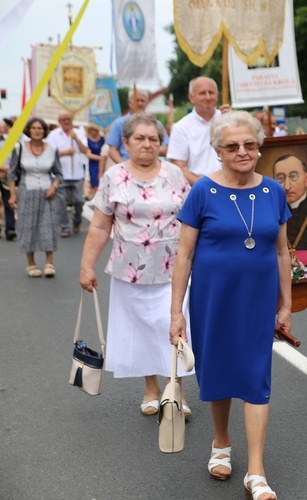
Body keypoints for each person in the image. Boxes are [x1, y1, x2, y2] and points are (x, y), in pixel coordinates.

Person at [169, 111, 290, 500]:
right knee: (217, 370)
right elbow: (184, 255)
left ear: (259, 146)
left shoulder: (273, 191)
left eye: (250, 144)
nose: (242, 152)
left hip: (257, 301)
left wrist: (286, 304)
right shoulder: (203, 190)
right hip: (212, 300)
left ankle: (256, 471)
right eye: (232, 146)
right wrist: (176, 314)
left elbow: (282, 253)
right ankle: (221, 441)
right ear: (218, 150)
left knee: (256, 376)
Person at [79, 113, 194, 417]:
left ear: (161, 143)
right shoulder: (113, 176)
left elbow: (193, 221)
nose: (147, 144)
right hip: (129, 271)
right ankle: (151, 388)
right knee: (142, 330)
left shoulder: (174, 174)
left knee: (175, 328)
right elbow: (101, 226)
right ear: (126, 142)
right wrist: (86, 266)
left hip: (174, 269)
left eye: (153, 139)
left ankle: (176, 388)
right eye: (139, 138)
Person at [7, 118, 63, 277]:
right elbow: (11, 174)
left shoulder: (52, 148)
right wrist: (13, 195)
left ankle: (49, 263)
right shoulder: (19, 149)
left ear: (44, 131)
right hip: (27, 191)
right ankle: (31, 264)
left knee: (48, 226)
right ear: (29, 131)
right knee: (28, 227)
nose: (37, 130)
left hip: (47, 193)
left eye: (40, 128)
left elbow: (59, 174)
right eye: (34, 128)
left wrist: (53, 187)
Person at [167, 77, 223, 185]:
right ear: (191, 97)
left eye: (211, 92)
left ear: (217, 95)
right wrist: (205, 187)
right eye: (202, 93)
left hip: (233, 186)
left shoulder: (229, 121)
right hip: (199, 189)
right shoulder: (181, 127)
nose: (208, 97)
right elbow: (178, 167)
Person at [47, 111, 89, 237]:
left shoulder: (79, 133)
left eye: (68, 119)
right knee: (61, 202)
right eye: (63, 120)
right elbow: (49, 154)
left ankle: (77, 221)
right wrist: (65, 152)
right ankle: (64, 227)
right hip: (61, 174)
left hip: (76, 173)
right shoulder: (53, 135)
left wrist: (75, 138)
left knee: (79, 201)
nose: (66, 122)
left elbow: (85, 151)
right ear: (59, 122)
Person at [107, 88, 169, 163]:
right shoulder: (119, 123)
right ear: (129, 102)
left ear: (147, 102)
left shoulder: (156, 124)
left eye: (142, 101)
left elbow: (165, 148)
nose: (140, 103)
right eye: (137, 100)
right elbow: (112, 151)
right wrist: (125, 169)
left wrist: (146, 151)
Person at [0, 118, 17, 240]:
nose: (1, 129)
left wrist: (7, 170)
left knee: (9, 202)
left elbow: (15, 160)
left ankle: (10, 229)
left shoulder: (11, 142)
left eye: (3, 127)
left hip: (7, 176)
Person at [85, 125, 105, 200]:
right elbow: (89, 154)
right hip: (93, 164)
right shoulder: (87, 140)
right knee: (94, 182)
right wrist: (101, 158)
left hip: (102, 164)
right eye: (93, 130)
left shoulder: (102, 139)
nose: (94, 132)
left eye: (96, 130)